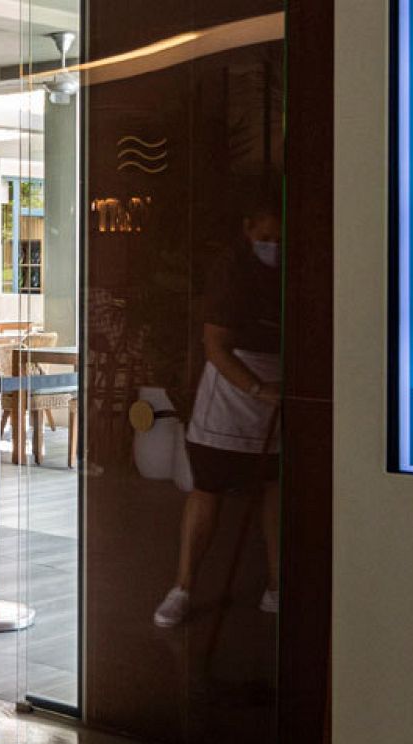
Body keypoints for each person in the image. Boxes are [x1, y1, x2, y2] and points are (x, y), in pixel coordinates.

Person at [154, 200, 282, 628]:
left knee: (275, 490)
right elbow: (215, 346)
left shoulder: (296, 266)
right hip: (230, 394)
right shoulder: (231, 270)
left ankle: (278, 587)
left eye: (281, 240)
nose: (274, 247)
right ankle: (183, 587)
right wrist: (257, 389)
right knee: (207, 490)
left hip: (281, 388)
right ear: (248, 228)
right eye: (267, 239)